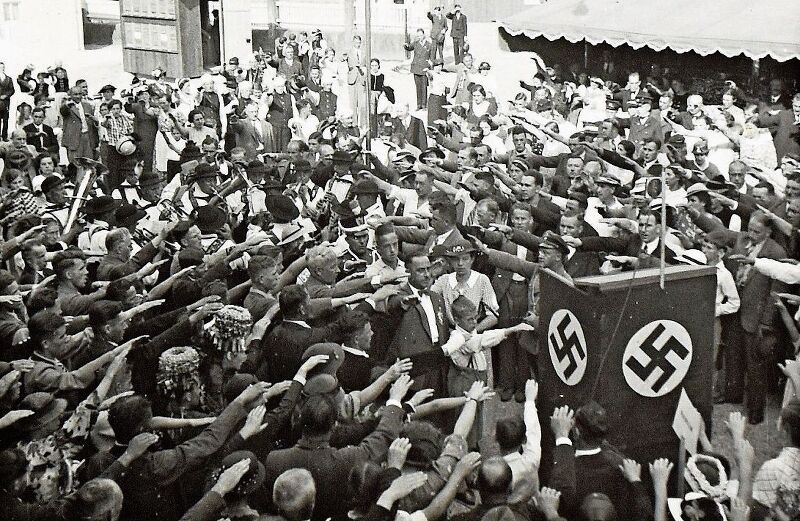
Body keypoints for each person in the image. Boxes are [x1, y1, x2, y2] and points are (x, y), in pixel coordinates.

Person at [404, 29, 433, 110]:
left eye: (420, 35)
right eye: (418, 35)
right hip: (416, 67)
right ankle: (418, 105)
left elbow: (432, 58)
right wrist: (406, 45)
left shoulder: (429, 45)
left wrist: (429, 67)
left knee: (424, 87)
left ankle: (424, 105)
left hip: (424, 68)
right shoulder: (415, 44)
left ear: (424, 35)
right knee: (418, 87)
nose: (419, 37)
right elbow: (409, 48)